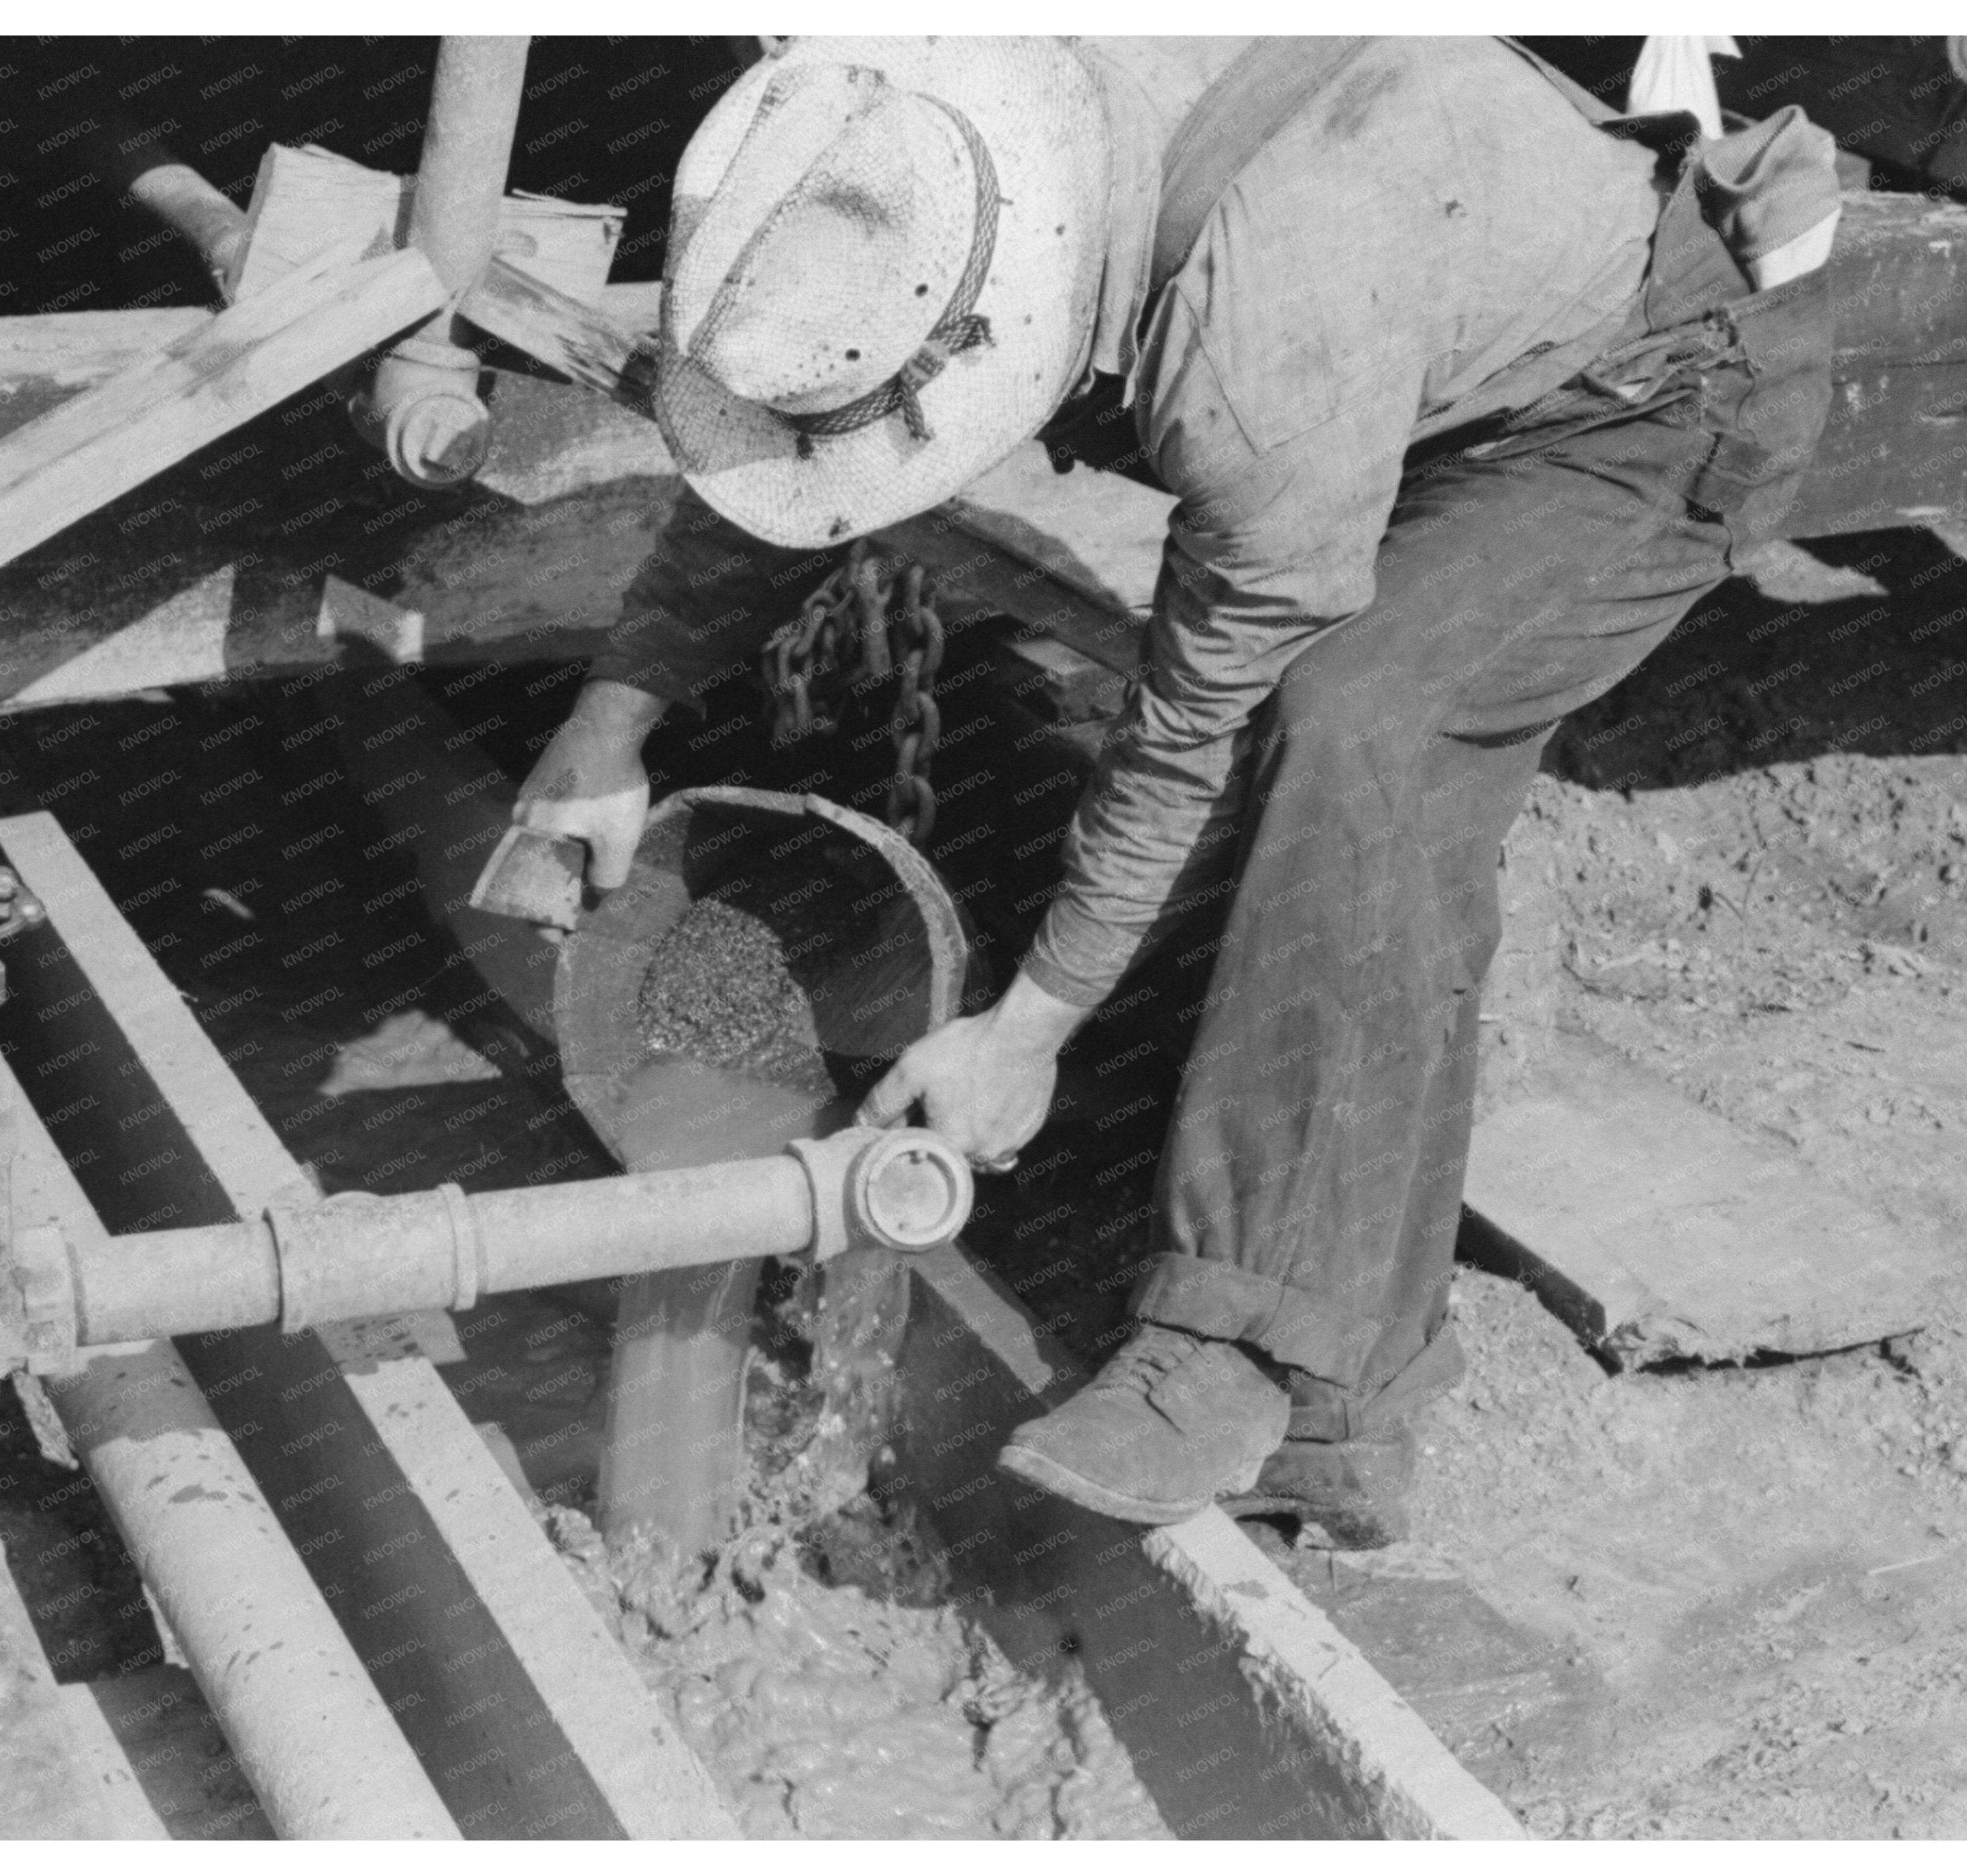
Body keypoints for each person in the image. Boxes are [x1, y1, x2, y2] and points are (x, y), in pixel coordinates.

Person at [512, 35, 1840, 1545]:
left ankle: (1241, 1345)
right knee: (1348, 763)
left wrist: (1029, 1028)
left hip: (1643, 393)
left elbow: (1185, 723)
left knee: (1356, 729)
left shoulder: (1257, 345)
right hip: (1426, 328)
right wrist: (605, 726)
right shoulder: (924, 156)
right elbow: (801, 438)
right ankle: (1346, 1414)